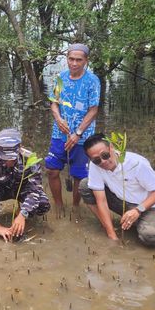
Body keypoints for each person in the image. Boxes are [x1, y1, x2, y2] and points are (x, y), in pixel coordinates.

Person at [78, 133, 155, 246]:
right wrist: (112, 236)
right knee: (85, 185)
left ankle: (141, 222)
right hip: (122, 202)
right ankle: (109, 224)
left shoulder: (136, 163)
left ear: (111, 147)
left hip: (149, 207)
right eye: (97, 160)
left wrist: (138, 210)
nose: (103, 162)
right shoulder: (95, 166)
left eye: (105, 155)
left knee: (150, 236)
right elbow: (101, 200)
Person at [46, 43, 100, 210]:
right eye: (71, 59)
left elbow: (93, 110)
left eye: (78, 60)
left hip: (83, 137)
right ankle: (59, 206)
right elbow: (54, 103)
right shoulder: (60, 78)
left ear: (86, 61)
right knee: (52, 170)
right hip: (59, 133)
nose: (74, 63)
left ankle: (76, 207)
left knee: (79, 176)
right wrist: (58, 118)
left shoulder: (92, 81)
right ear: (66, 59)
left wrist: (78, 133)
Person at [0, 128, 51, 242]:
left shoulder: (31, 160)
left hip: (22, 190)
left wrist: (23, 214)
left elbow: (35, 190)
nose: (9, 161)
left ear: (20, 147)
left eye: (12, 158)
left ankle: (21, 215)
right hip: (1, 192)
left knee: (43, 204)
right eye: (6, 158)